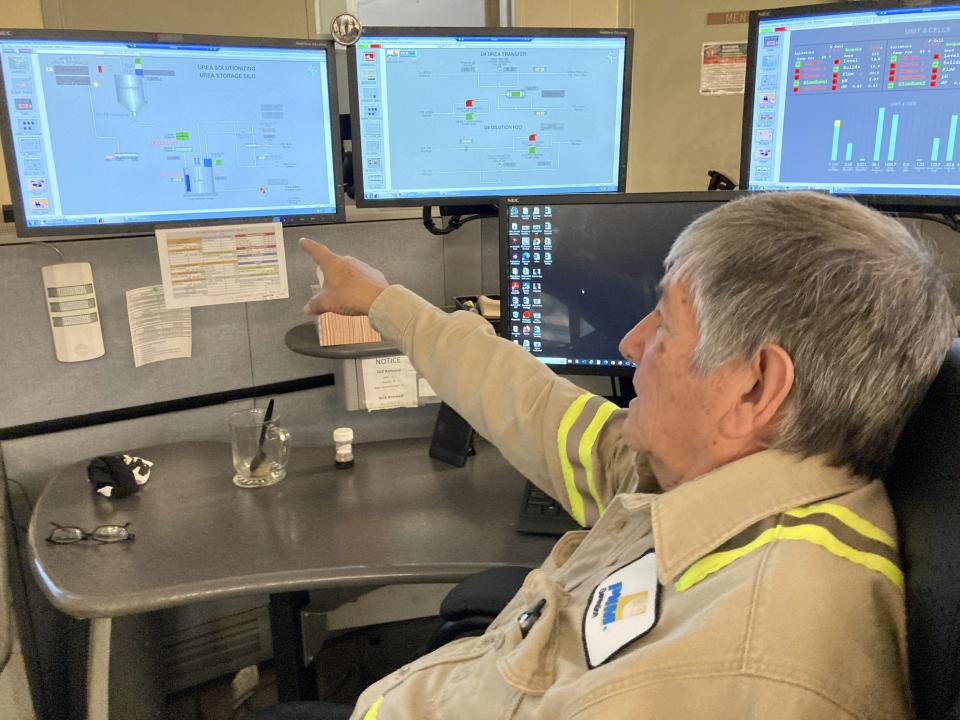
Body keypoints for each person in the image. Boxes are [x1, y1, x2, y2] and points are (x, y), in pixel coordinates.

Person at [298, 191, 956, 720]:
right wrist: (385, 303)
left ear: (756, 386)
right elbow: (534, 406)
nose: (630, 342)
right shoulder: (724, 482)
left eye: (665, 323)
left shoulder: (734, 669)